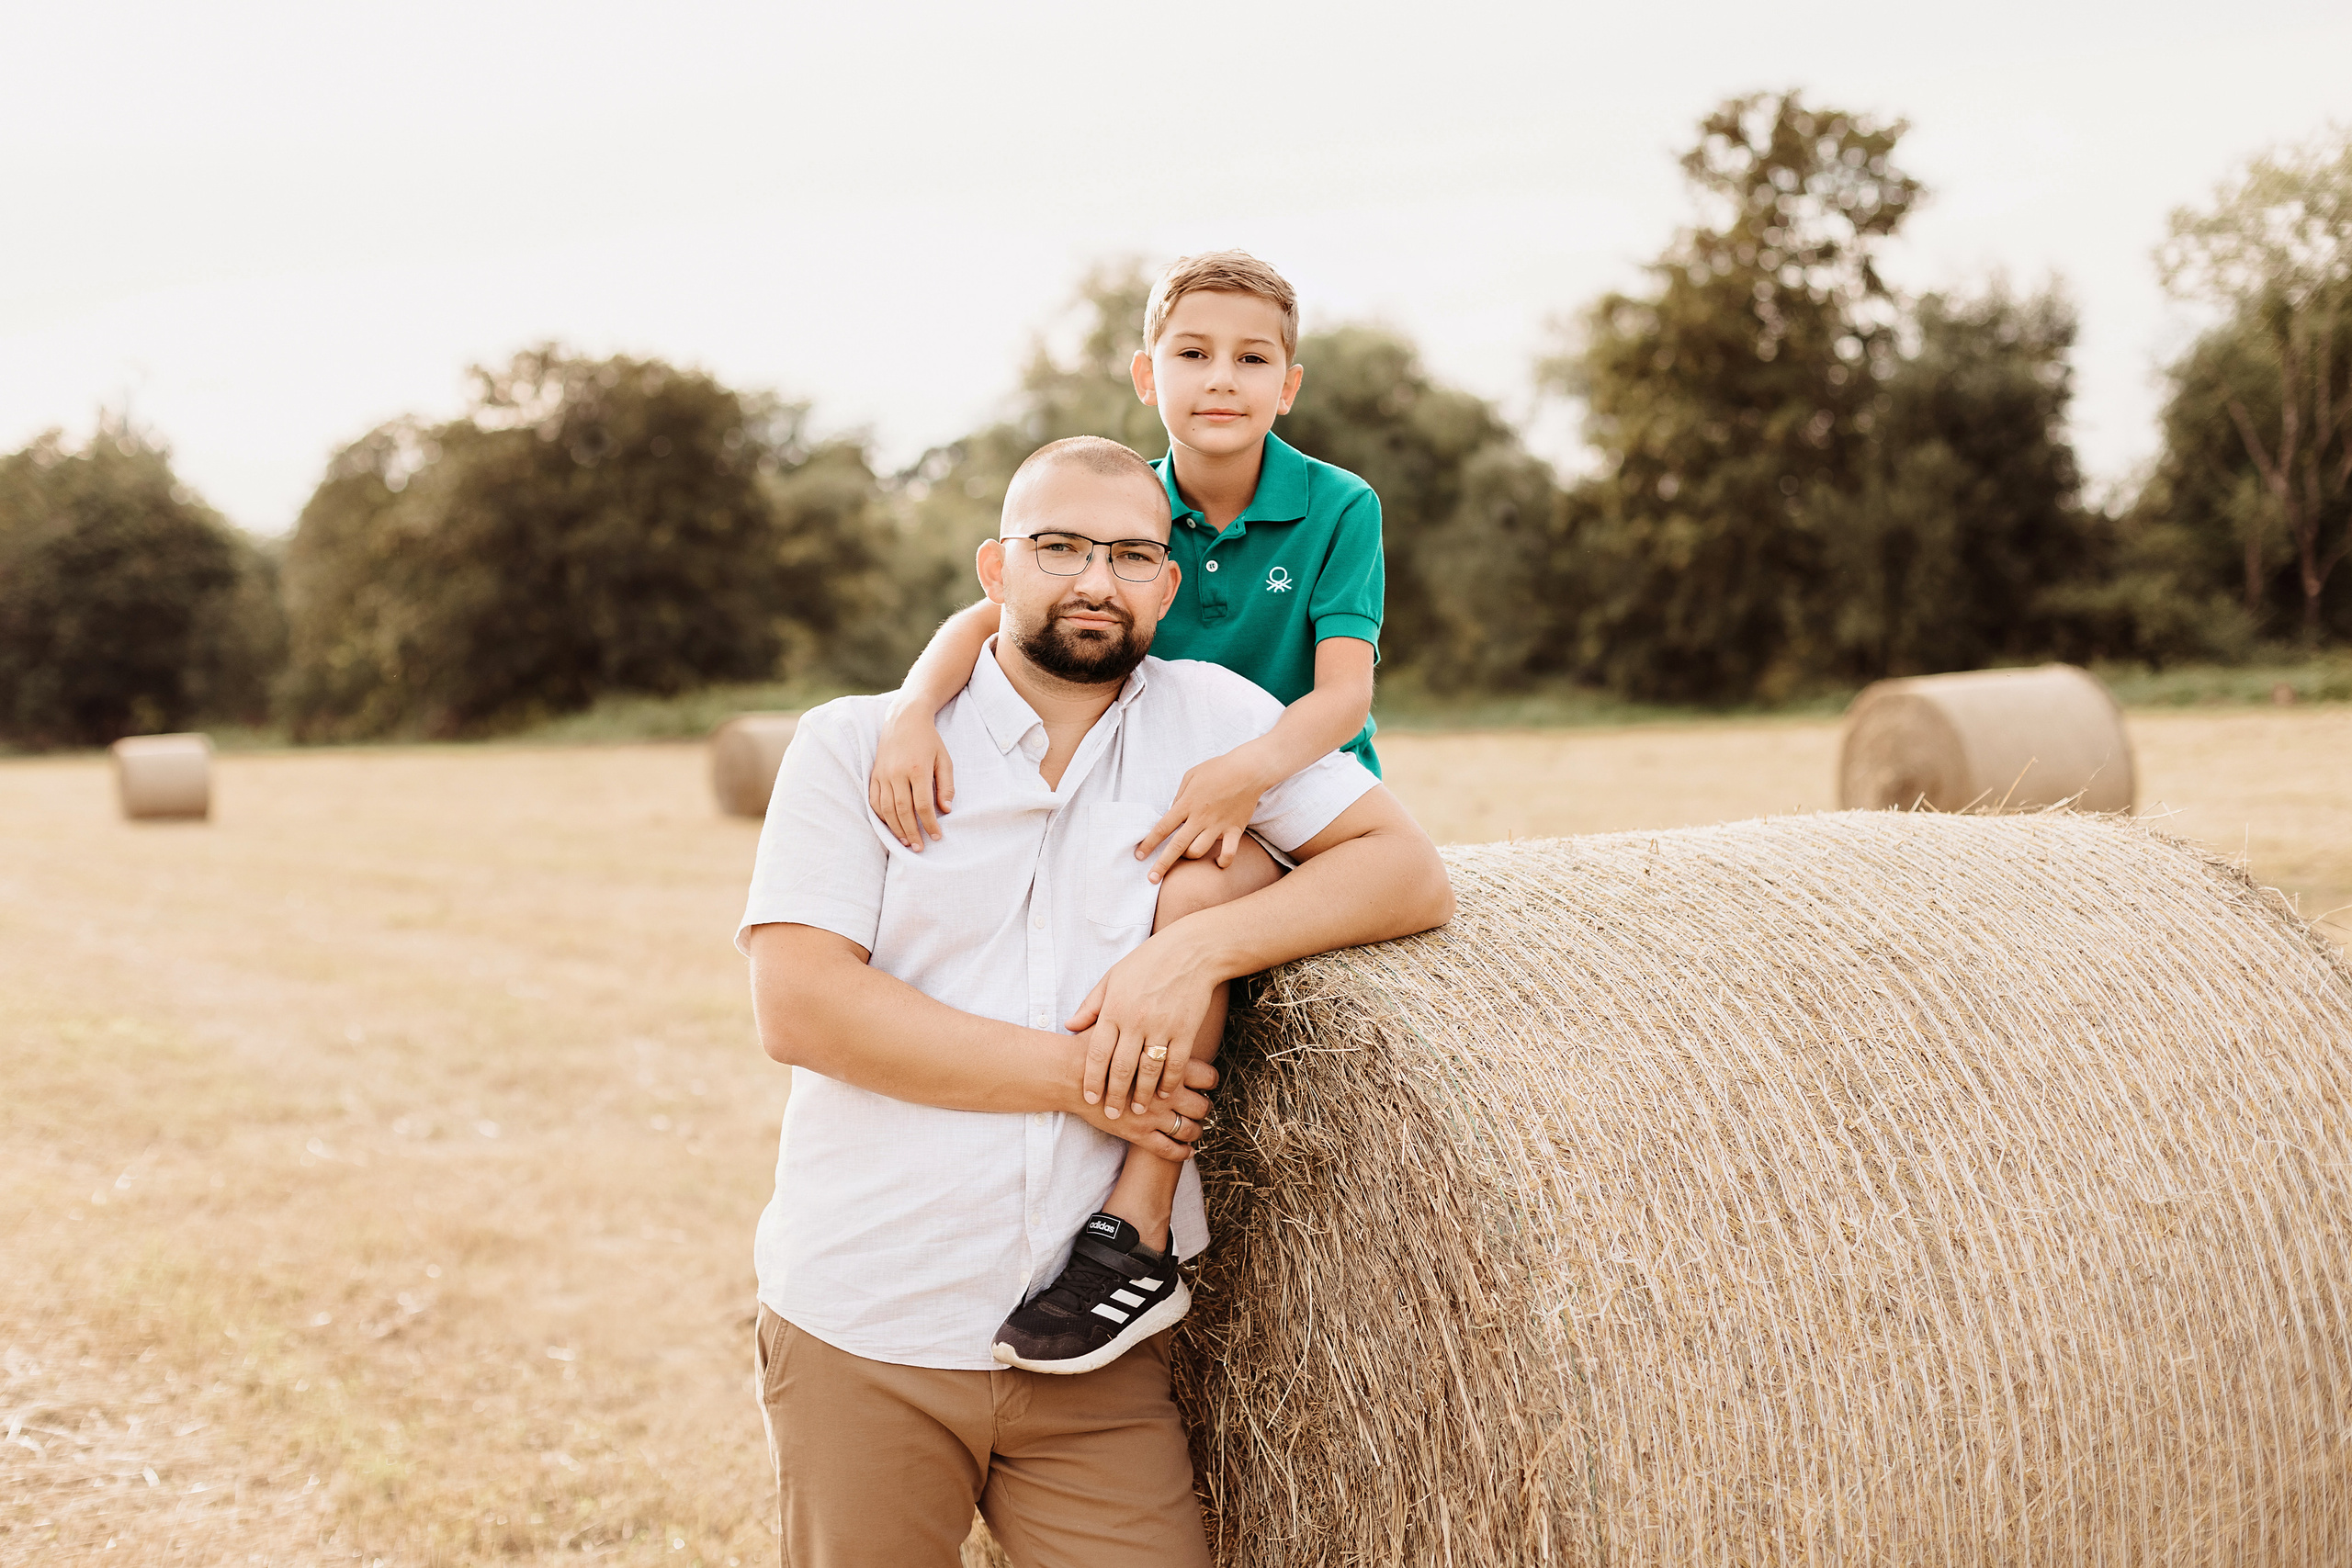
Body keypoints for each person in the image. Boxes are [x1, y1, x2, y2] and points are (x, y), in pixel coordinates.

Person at [741, 435, 1452, 1566]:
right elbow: (806, 1011)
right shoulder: (852, 746)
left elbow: (1407, 874)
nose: (1095, 580)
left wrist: (1196, 950)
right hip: (871, 1322)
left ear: (1168, 585)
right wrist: (1098, 1084)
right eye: (1060, 547)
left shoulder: (1216, 719)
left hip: (1098, 1361)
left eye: (1130, 555)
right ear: (996, 568)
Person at [865, 251, 1388, 1360]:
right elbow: (995, 605)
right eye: (1194, 354)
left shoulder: (1337, 506)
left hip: (1286, 795)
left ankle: (1137, 1223)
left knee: (1193, 897)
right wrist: (913, 712)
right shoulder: (1127, 501)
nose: (1222, 379)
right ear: (1148, 374)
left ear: (1287, 385)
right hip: (1156, 792)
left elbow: (1344, 690)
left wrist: (1245, 776)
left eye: (1252, 359)